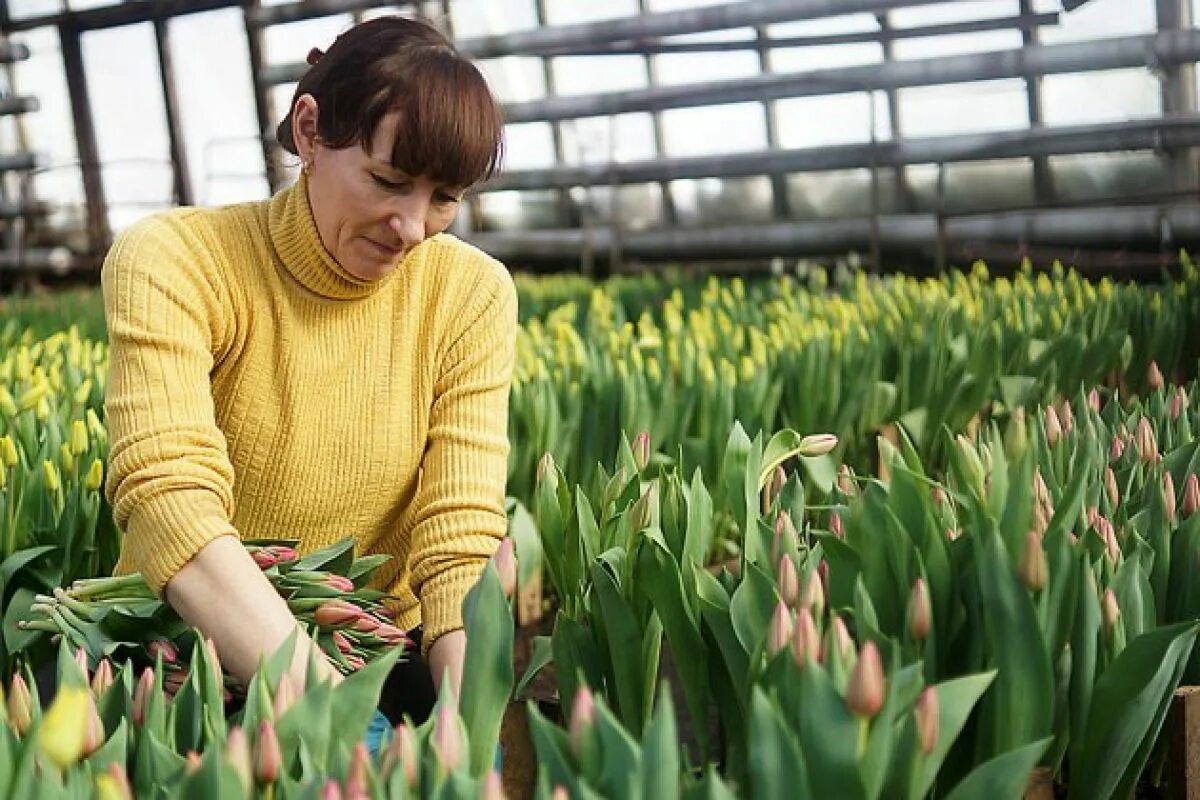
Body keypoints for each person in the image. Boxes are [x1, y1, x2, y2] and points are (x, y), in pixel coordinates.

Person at [100, 15, 514, 733]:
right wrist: (340, 721)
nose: (413, 226)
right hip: (192, 648)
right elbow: (169, 499)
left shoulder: (470, 295)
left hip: (374, 643)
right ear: (310, 130)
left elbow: (457, 538)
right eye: (389, 181)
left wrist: (468, 726)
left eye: (444, 198)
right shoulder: (178, 262)